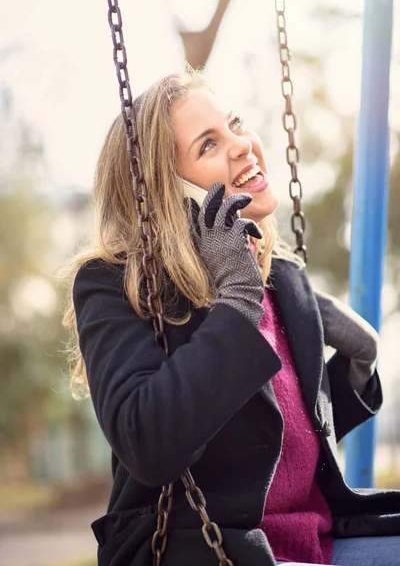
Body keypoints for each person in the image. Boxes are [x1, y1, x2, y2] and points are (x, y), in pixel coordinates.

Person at [61, 69, 400, 566]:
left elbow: (277, 432)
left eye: (235, 124)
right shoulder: (114, 286)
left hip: (315, 541)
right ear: (166, 195)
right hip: (213, 551)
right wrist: (237, 300)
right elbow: (148, 443)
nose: (242, 145)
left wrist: (359, 364)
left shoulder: (277, 274)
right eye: (208, 145)